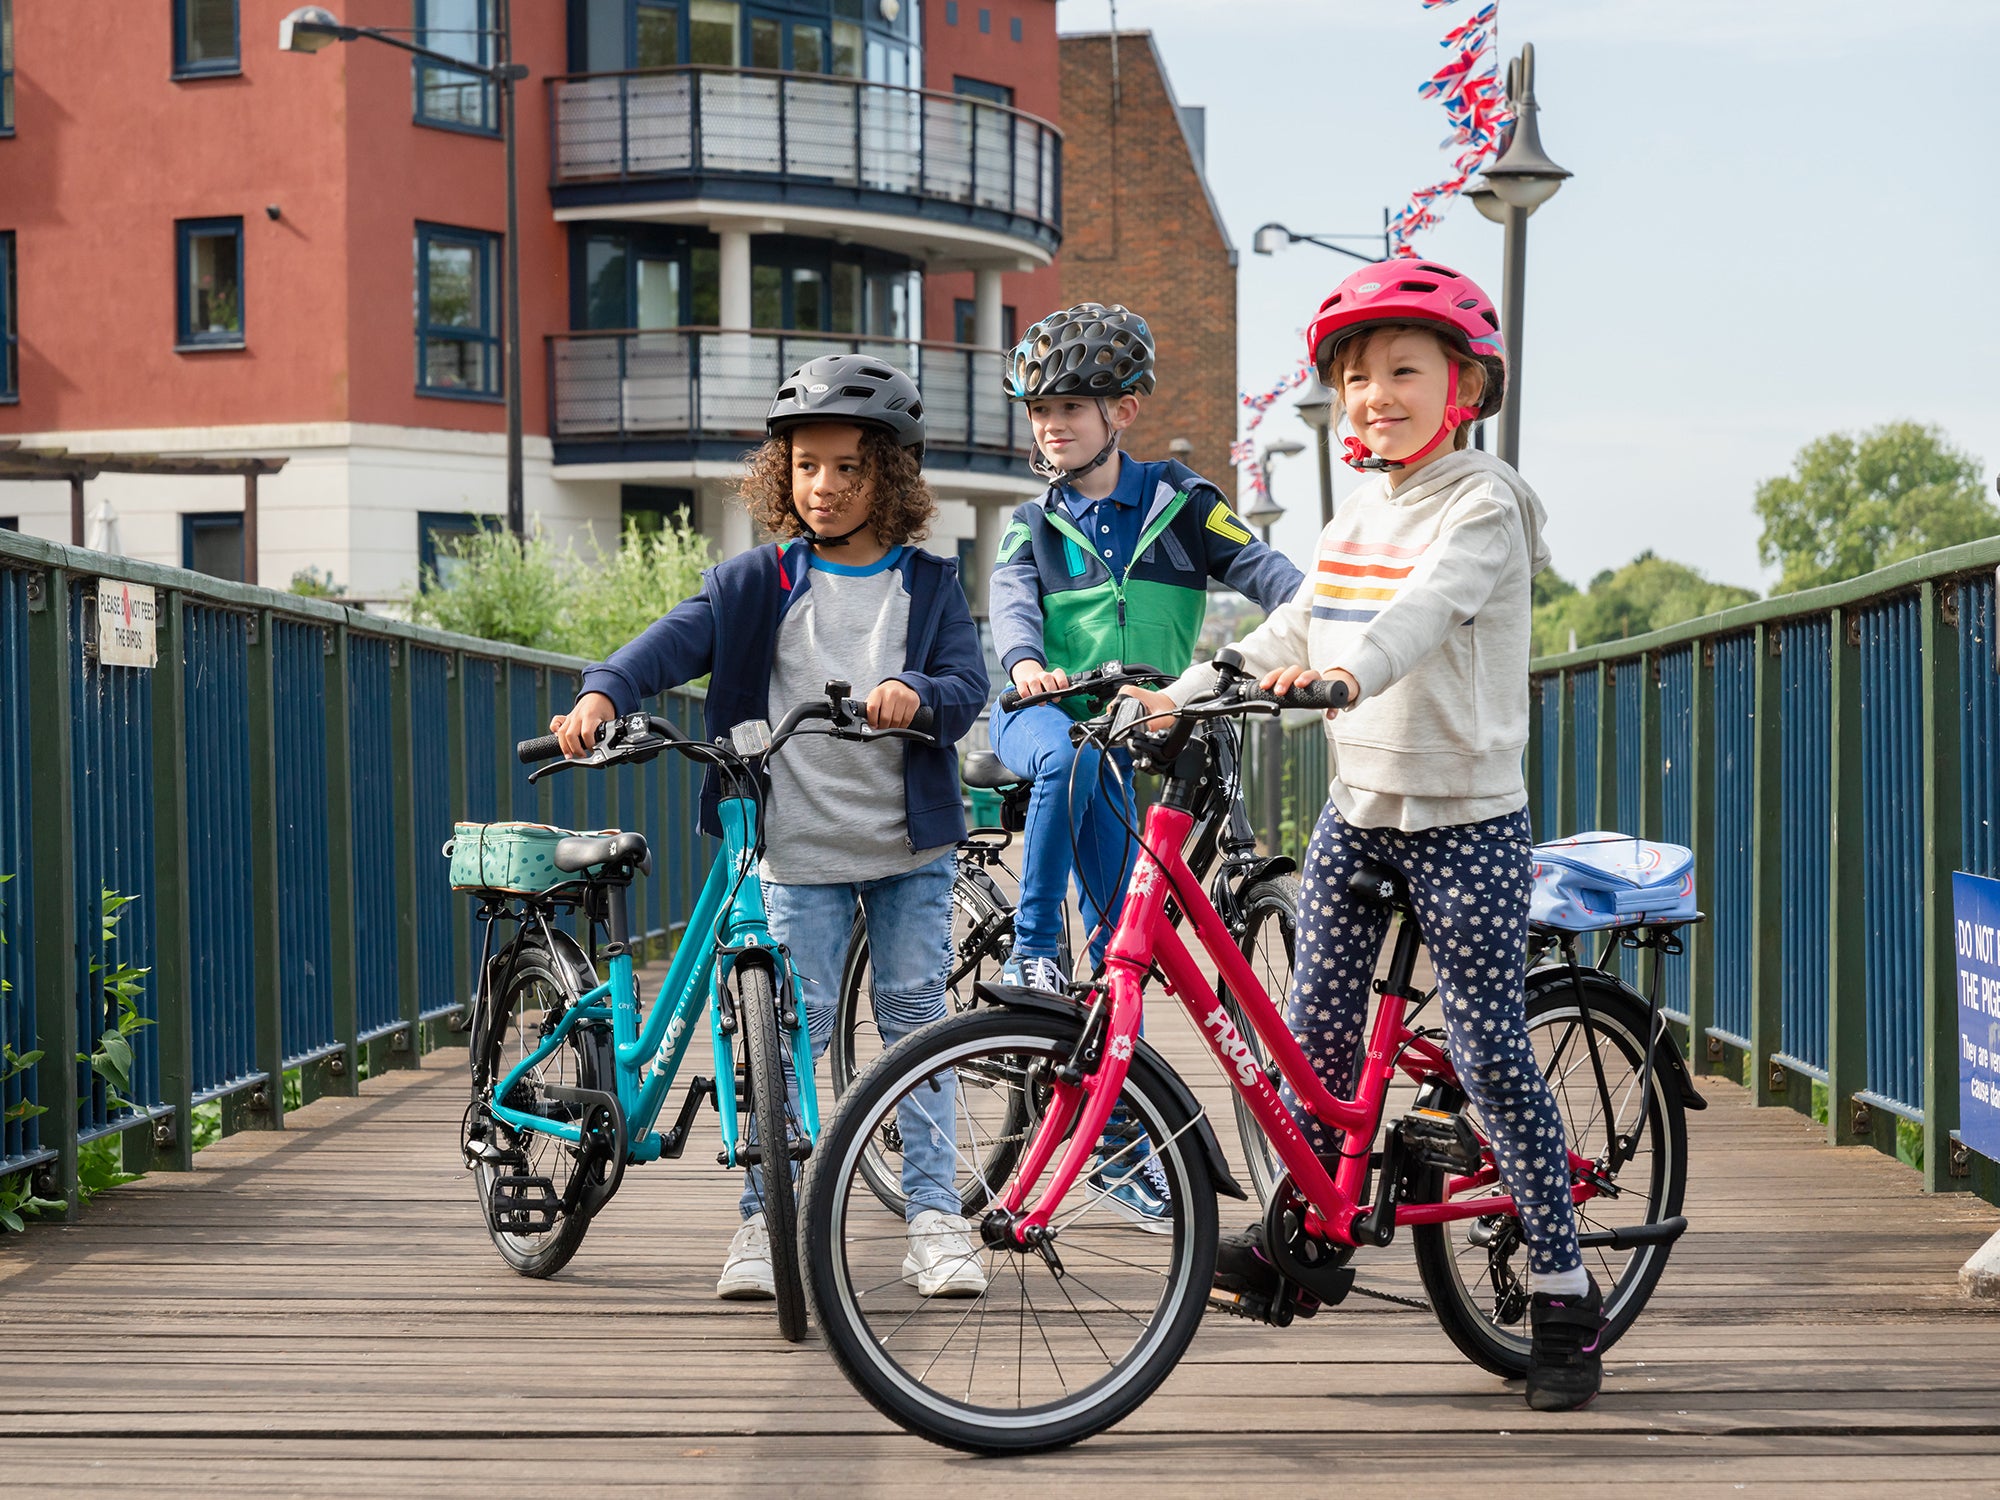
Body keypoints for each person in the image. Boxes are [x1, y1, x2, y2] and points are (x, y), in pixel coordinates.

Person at [1124, 260, 1604, 1410]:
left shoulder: (1481, 501)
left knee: (1489, 1050)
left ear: (1464, 385)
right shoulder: (1359, 511)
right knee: (1314, 1044)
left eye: (1401, 371)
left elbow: (1421, 610)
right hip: (1360, 809)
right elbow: (1295, 615)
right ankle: (1309, 1240)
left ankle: (1561, 1285)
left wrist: (1345, 675)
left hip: (1464, 821)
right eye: (1352, 378)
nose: (1372, 395)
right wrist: (1187, 687)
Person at [548, 354, 991, 1302]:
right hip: (792, 850)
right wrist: (602, 690)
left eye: (848, 468)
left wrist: (914, 694)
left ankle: (933, 1219)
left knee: (916, 1024)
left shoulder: (930, 584)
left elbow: (965, 686)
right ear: (780, 475)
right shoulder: (755, 580)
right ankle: (764, 1219)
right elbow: (668, 641)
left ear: (893, 477)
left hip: (906, 849)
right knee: (775, 1035)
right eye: (805, 467)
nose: (824, 487)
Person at [988, 302, 1304, 1229]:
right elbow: (1010, 610)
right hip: (1041, 719)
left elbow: (1272, 575)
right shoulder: (1030, 524)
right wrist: (1026, 669)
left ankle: (1117, 1148)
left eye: (1071, 407)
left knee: (1122, 954)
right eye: (1039, 409)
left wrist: (1310, 632)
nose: (1050, 425)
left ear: (1122, 412)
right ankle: (1031, 950)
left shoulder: (1182, 503)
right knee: (1068, 770)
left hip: (1136, 734)